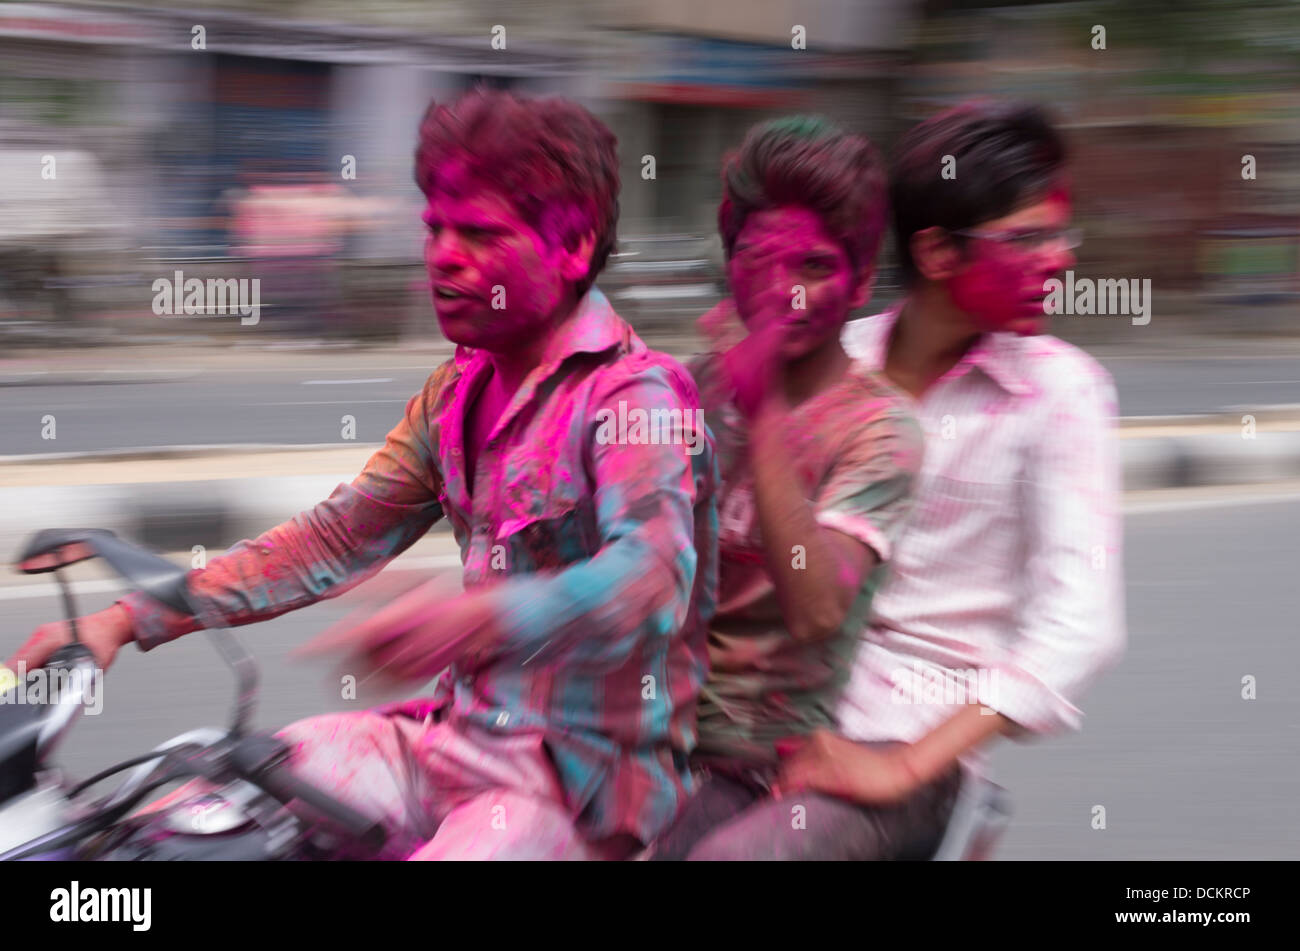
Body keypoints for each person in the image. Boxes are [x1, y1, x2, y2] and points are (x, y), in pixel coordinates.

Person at [8, 88, 718, 861]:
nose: (443, 253)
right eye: (435, 227)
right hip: (445, 746)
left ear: (572, 247)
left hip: (578, 792)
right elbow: (334, 537)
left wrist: (480, 615)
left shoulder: (636, 395)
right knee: (201, 810)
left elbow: (652, 575)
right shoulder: (457, 393)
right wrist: (123, 620)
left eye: (479, 232)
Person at [698, 100, 1126, 859]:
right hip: (756, 719)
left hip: (899, 743)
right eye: (1027, 238)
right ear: (936, 253)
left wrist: (904, 765)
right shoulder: (835, 350)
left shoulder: (1061, 395)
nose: (1060, 258)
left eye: (1061, 234)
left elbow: (1078, 627)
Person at [649, 116, 935, 860]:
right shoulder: (681, 393)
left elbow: (817, 609)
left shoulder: (879, 429)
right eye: (756, 261)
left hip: (753, 760)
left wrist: (765, 407)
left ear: (863, 278)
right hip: (632, 730)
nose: (784, 294)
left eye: (812, 266)